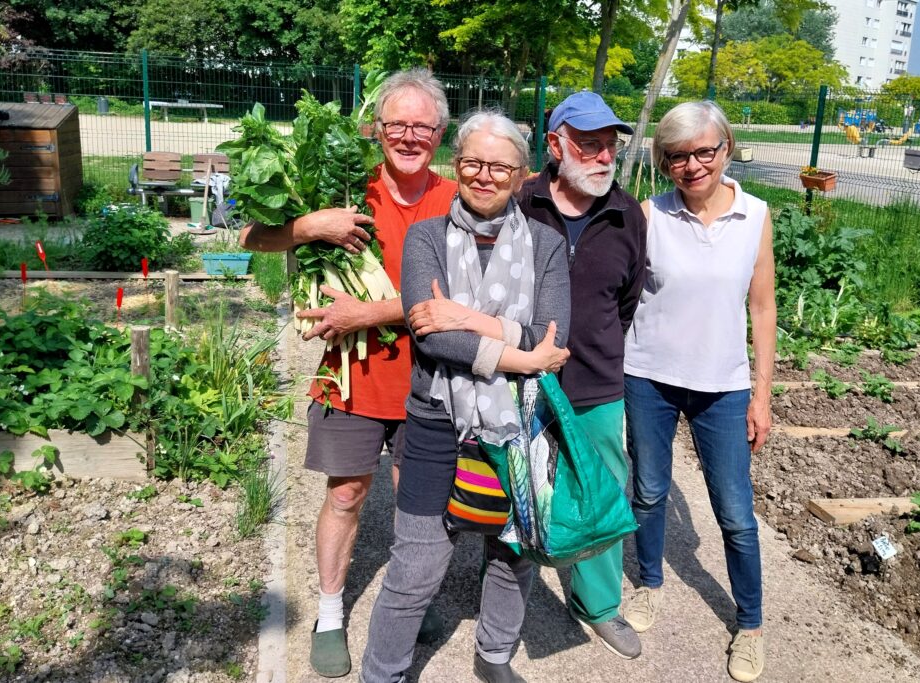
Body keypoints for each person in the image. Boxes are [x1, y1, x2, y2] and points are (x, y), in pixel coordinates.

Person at [239, 69, 458, 678]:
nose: (409, 136)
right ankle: (330, 612)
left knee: (421, 501)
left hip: (432, 381)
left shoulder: (454, 200)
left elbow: (464, 291)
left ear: (438, 134)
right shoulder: (342, 188)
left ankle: (411, 597)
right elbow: (252, 236)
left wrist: (369, 311)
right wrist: (313, 226)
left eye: (422, 126)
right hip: (352, 377)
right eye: (397, 125)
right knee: (346, 494)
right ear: (376, 129)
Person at [359, 111, 570, 683]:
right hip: (436, 418)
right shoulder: (427, 237)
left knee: (512, 550)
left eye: (499, 166)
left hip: (520, 424)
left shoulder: (546, 246)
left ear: (522, 174)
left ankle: (495, 653)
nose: (484, 175)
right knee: (417, 562)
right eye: (473, 162)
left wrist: (466, 316)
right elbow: (433, 336)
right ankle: (384, 673)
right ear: (457, 165)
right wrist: (520, 356)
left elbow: (554, 335)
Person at [620, 100, 777, 683]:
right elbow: (623, 295)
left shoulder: (756, 216)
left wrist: (761, 395)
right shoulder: (649, 215)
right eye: (678, 156)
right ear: (666, 163)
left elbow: (762, 308)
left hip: (724, 386)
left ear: (726, 148)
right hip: (651, 378)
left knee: (736, 513)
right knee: (650, 492)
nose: (692, 166)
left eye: (703, 152)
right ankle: (650, 583)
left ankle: (751, 623)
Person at [517, 91, 647, 660]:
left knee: (601, 490)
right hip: (520, 377)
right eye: (589, 146)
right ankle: (505, 592)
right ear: (555, 146)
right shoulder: (520, 202)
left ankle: (598, 605)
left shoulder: (626, 213)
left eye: (610, 147)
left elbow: (627, 299)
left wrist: (589, 344)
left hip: (596, 380)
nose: (603, 158)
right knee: (516, 483)